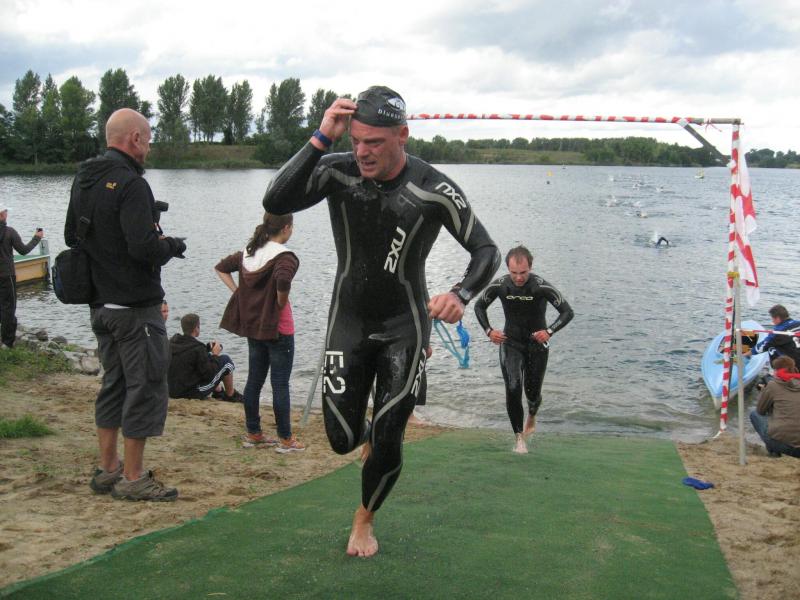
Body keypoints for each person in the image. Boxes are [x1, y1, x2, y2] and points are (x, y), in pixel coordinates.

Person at [263, 86, 500, 558]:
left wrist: (460, 294)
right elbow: (275, 199)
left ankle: (364, 519)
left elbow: (486, 250)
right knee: (342, 440)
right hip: (348, 320)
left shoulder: (434, 188)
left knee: (390, 431)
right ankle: (372, 432)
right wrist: (321, 138)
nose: (363, 152)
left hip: (404, 324)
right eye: (356, 140)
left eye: (374, 142)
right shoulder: (337, 170)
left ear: (402, 136)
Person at [65, 108, 186, 501]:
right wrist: (171, 245)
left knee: (113, 384)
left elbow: (71, 236)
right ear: (134, 138)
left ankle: (108, 469)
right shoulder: (133, 185)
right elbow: (143, 248)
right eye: (147, 139)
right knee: (145, 386)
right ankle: (133, 477)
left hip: (100, 305)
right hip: (135, 308)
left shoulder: (84, 179)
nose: (148, 147)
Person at [215, 212, 303, 453]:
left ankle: (254, 433)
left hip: (254, 326)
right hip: (279, 328)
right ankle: (286, 439)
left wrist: (238, 292)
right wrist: (280, 300)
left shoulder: (250, 252)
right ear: (286, 228)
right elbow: (283, 280)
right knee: (280, 383)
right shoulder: (284, 256)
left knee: (254, 380)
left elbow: (221, 268)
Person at [474, 245, 574, 454]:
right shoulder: (500, 285)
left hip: (537, 344)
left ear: (530, 267)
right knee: (513, 386)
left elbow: (567, 312)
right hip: (510, 342)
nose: (519, 278)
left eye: (523, 272)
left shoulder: (541, 286)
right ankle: (519, 438)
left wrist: (549, 331)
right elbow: (479, 306)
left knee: (532, 392)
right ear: (508, 269)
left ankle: (532, 415)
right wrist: (489, 331)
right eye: (514, 273)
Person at [168, 313, 242, 402]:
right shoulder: (197, 349)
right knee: (226, 361)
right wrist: (215, 354)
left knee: (207, 359)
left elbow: (189, 357)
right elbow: (210, 374)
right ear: (196, 328)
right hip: (189, 393)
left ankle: (218, 391)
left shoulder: (172, 343)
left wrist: (206, 349)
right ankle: (230, 395)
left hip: (172, 390)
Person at [0, 204, 43, 348]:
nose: (7, 214)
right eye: (6, 212)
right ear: (2, 215)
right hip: (7, 275)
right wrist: (36, 238)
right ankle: (7, 343)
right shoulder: (9, 232)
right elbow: (23, 250)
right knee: (9, 308)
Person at [749, 356, 800, 459]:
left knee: (754, 415)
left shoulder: (773, 385)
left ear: (777, 371)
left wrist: (763, 392)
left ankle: (774, 453)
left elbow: (760, 411)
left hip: (783, 445)